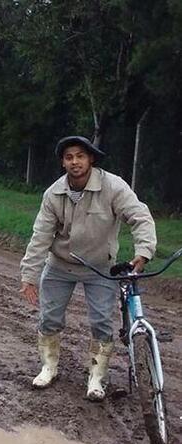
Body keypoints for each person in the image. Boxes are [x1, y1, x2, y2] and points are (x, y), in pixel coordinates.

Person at [19, 136, 156, 401]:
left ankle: (96, 378)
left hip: (100, 267)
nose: (75, 162)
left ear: (91, 159)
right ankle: (49, 367)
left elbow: (140, 217)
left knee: (102, 322)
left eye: (80, 156)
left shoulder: (113, 187)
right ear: (63, 162)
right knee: (50, 318)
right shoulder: (53, 194)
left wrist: (144, 252)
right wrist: (29, 275)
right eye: (69, 157)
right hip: (60, 265)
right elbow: (41, 236)